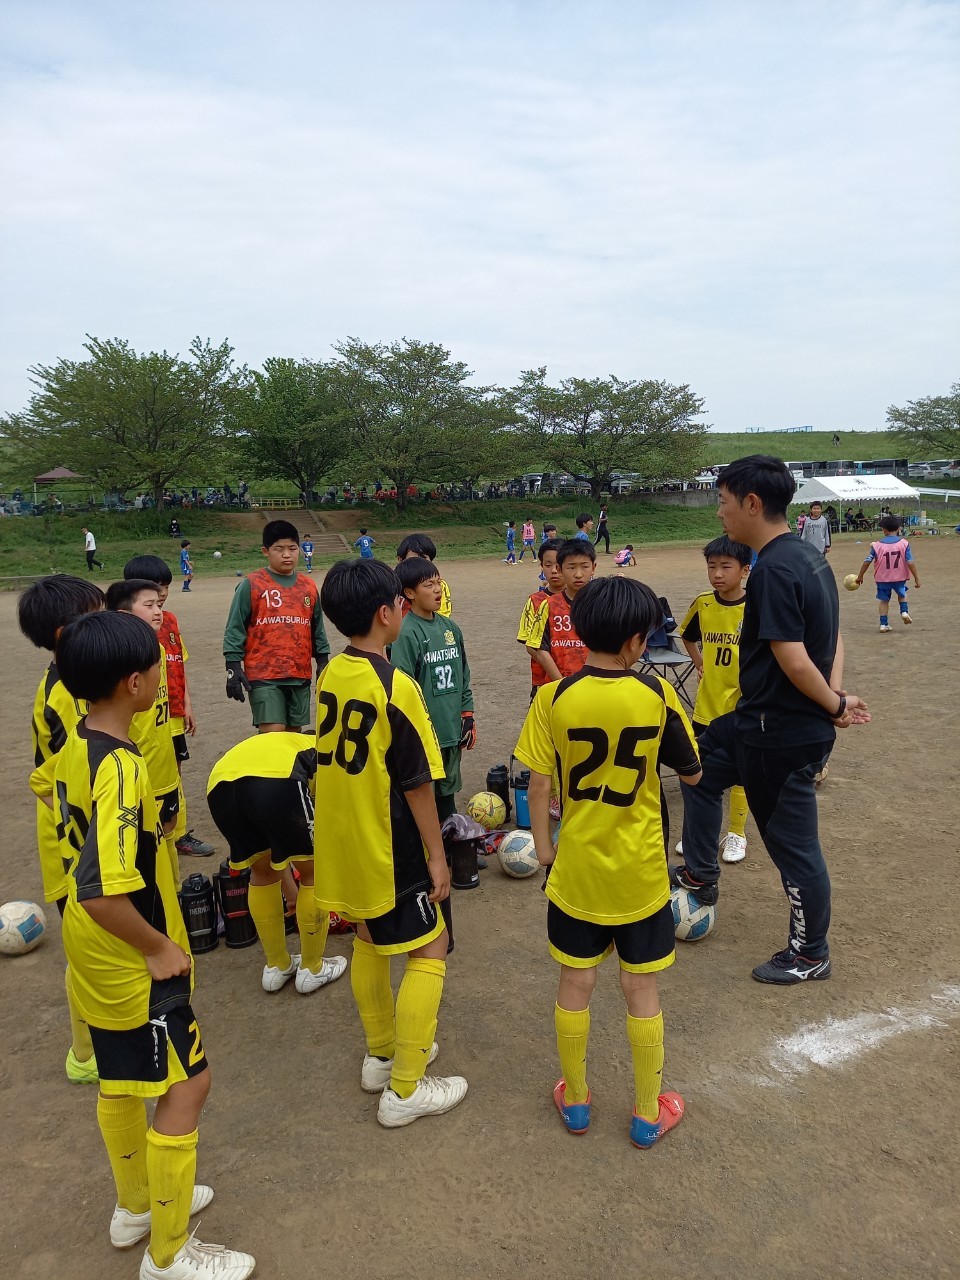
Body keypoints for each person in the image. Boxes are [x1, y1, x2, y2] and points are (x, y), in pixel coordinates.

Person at [33, 611, 255, 1280]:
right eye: (157, 667)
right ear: (136, 684)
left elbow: (49, 800)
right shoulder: (124, 767)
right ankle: (168, 1254)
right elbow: (105, 890)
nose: (163, 675)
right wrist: (159, 946)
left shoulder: (74, 741)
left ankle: (136, 1207)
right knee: (189, 1082)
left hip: (87, 938)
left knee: (120, 1075)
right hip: (121, 941)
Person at [515, 577, 702, 1147]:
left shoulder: (554, 697)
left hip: (575, 872)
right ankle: (649, 1113)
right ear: (634, 642)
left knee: (576, 980)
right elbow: (692, 773)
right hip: (640, 874)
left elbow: (539, 782)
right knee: (639, 991)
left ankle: (575, 1100)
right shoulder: (657, 695)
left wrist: (545, 851)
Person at [670, 456, 870, 983]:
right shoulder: (809, 556)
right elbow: (834, 638)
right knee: (698, 768)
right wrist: (835, 697)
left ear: (752, 504)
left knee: (796, 849)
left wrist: (832, 707)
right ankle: (700, 872)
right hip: (752, 721)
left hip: (778, 735)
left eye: (723, 501)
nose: (719, 513)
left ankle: (810, 954)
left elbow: (794, 655)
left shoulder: (774, 571)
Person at [312, 559, 468, 1127]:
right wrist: (435, 854)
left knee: (368, 940)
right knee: (431, 946)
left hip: (342, 836)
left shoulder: (329, 673)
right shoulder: (394, 685)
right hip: (390, 839)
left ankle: (381, 1056)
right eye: (400, 604)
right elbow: (418, 780)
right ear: (386, 613)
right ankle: (405, 1089)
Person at [20, 575, 106, 1084]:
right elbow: (53, 778)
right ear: (63, 633)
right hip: (71, 838)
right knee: (84, 948)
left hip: (81, 829)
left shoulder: (81, 680)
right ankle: (85, 1053)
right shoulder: (65, 695)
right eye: (94, 615)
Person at [206, 734, 348, 995]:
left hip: (220, 785)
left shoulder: (295, 742)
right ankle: (312, 968)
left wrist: (291, 894)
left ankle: (277, 965)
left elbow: (278, 852)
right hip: (277, 780)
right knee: (315, 873)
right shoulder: (332, 754)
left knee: (261, 870)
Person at [123, 556, 214, 859]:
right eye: (155, 589)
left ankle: (179, 833)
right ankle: (154, 833)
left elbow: (179, 664)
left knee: (174, 774)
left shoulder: (169, 620)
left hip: (172, 710)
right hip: (149, 717)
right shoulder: (128, 630)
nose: (162, 594)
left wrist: (187, 704)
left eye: (165, 587)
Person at [678, 537, 752, 863]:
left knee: (741, 774)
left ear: (745, 570)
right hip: (706, 705)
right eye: (712, 567)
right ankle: (697, 833)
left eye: (726, 567)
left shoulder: (757, 606)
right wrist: (698, 662)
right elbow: (687, 634)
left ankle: (736, 833)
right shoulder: (703, 603)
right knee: (698, 772)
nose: (717, 574)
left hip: (740, 707)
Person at [107, 579, 185, 881]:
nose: (158, 612)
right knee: (141, 845)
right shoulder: (116, 660)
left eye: (159, 605)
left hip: (163, 767)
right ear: (123, 613)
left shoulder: (158, 649)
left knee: (168, 831)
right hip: (138, 773)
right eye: (149, 605)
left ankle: (174, 894)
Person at [223, 519, 329, 733]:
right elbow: (235, 628)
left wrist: (323, 663)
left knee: (293, 738)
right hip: (264, 675)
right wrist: (233, 667)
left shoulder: (308, 586)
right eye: (279, 549)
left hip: (299, 674)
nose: (287, 555)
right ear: (266, 551)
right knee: (273, 736)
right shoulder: (251, 584)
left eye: (292, 548)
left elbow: (317, 628)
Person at [526, 539, 597, 680]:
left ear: (593, 568)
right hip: (557, 686)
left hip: (595, 686)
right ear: (560, 569)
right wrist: (562, 683)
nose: (578, 574)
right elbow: (539, 648)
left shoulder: (601, 604)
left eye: (584, 567)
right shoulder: (548, 605)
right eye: (571, 567)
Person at [855, 514, 920, 631]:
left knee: (884, 600)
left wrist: (860, 576)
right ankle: (904, 612)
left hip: (882, 578)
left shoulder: (877, 545)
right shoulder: (904, 543)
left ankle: (883, 624)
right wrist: (916, 578)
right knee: (902, 594)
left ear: (884, 530)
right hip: (899, 577)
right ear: (898, 529)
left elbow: (867, 562)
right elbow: (910, 562)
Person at [517, 538, 564, 696]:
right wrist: (557, 675)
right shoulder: (535, 601)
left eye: (558, 565)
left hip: (580, 681)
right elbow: (530, 645)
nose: (554, 570)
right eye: (548, 565)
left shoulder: (584, 600)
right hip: (543, 682)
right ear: (541, 567)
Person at [395, 533, 452, 617]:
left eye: (424, 558)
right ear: (401, 560)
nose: (420, 563)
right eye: (415, 559)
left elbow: (443, 616)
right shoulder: (391, 586)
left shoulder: (439, 585)